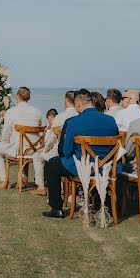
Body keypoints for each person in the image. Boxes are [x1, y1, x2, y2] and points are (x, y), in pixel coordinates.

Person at [43, 90, 118, 218]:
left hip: (84, 167)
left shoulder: (73, 122)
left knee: (52, 165)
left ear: (78, 104)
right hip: (107, 166)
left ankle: (56, 208)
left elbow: (66, 152)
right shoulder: (110, 120)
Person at [0, 87, 42, 190]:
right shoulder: (37, 112)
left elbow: (6, 133)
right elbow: (39, 131)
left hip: (20, 149)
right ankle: (23, 179)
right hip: (34, 149)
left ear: (17, 97)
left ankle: (5, 180)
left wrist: (3, 143)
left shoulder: (11, 112)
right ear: (29, 98)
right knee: (23, 144)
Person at [31, 91, 78, 196]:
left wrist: (44, 150)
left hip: (62, 152)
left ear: (66, 101)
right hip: (79, 153)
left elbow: (51, 140)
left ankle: (41, 187)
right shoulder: (80, 115)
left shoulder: (60, 117)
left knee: (37, 156)